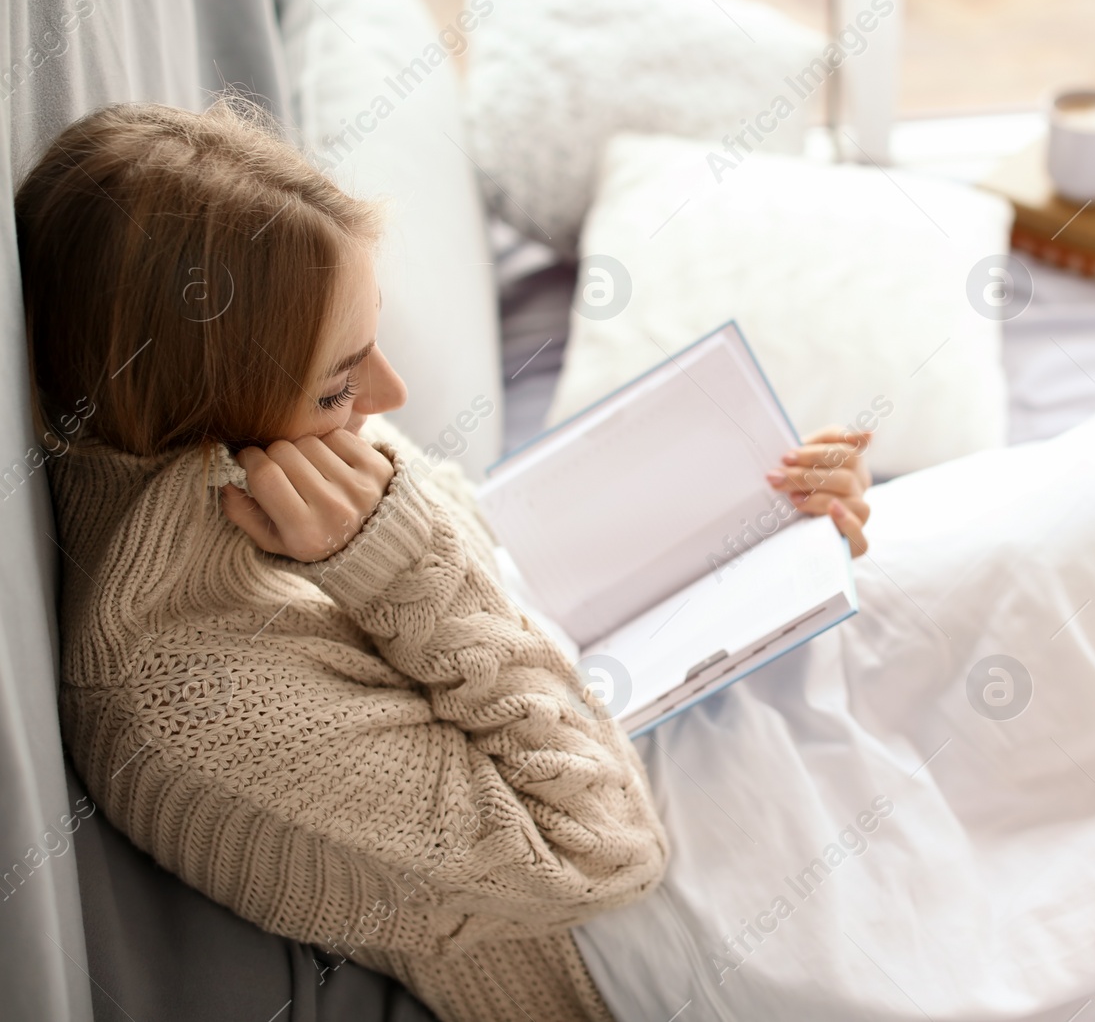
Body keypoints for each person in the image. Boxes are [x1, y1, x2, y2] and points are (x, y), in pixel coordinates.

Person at [19, 100, 872, 1022]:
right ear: (203, 409)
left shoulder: (278, 461)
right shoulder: (183, 709)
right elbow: (606, 850)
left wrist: (751, 515)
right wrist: (391, 569)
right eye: (342, 382)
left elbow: (485, 551)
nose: (390, 395)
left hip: (669, 709)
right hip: (680, 928)